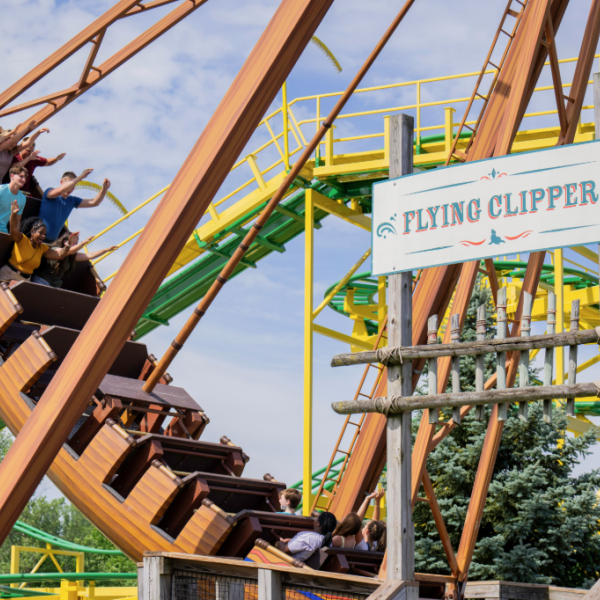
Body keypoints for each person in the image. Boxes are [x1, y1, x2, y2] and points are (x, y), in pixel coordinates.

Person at [0, 200, 77, 283]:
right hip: (8, 275)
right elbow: (14, 230)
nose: (43, 236)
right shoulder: (22, 239)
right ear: (32, 232)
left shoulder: (42, 248)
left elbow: (60, 255)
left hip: (24, 281)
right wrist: (13, 214)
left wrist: (68, 244)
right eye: (40, 233)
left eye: (45, 234)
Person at [40, 169, 109, 242]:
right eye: (69, 184)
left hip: (51, 243)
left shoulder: (72, 201)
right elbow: (61, 190)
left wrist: (104, 189)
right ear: (61, 182)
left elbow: (94, 202)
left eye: (73, 186)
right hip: (36, 238)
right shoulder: (50, 191)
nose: (70, 188)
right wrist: (81, 177)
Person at [32, 231, 117, 288]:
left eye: (76, 243)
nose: (75, 246)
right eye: (73, 243)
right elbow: (67, 251)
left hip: (54, 284)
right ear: (65, 242)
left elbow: (90, 255)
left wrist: (106, 250)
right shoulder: (56, 250)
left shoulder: (72, 256)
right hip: (41, 280)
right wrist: (83, 243)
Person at [0, 166, 28, 234]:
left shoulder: (22, 198)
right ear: (12, 176)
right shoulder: (1, 190)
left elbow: (17, 222)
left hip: (3, 231)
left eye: (25, 177)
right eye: (21, 176)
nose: (24, 179)